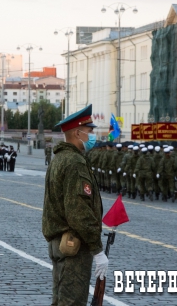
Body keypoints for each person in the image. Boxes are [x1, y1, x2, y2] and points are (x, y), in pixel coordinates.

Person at [42, 104, 107, 306]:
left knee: (61, 301)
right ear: (78, 133)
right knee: (72, 302)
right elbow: (78, 211)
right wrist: (97, 250)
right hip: (73, 247)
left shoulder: (60, 159)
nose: (92, 135)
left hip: (60, 243)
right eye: (89, 132)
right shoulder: (74, 162)